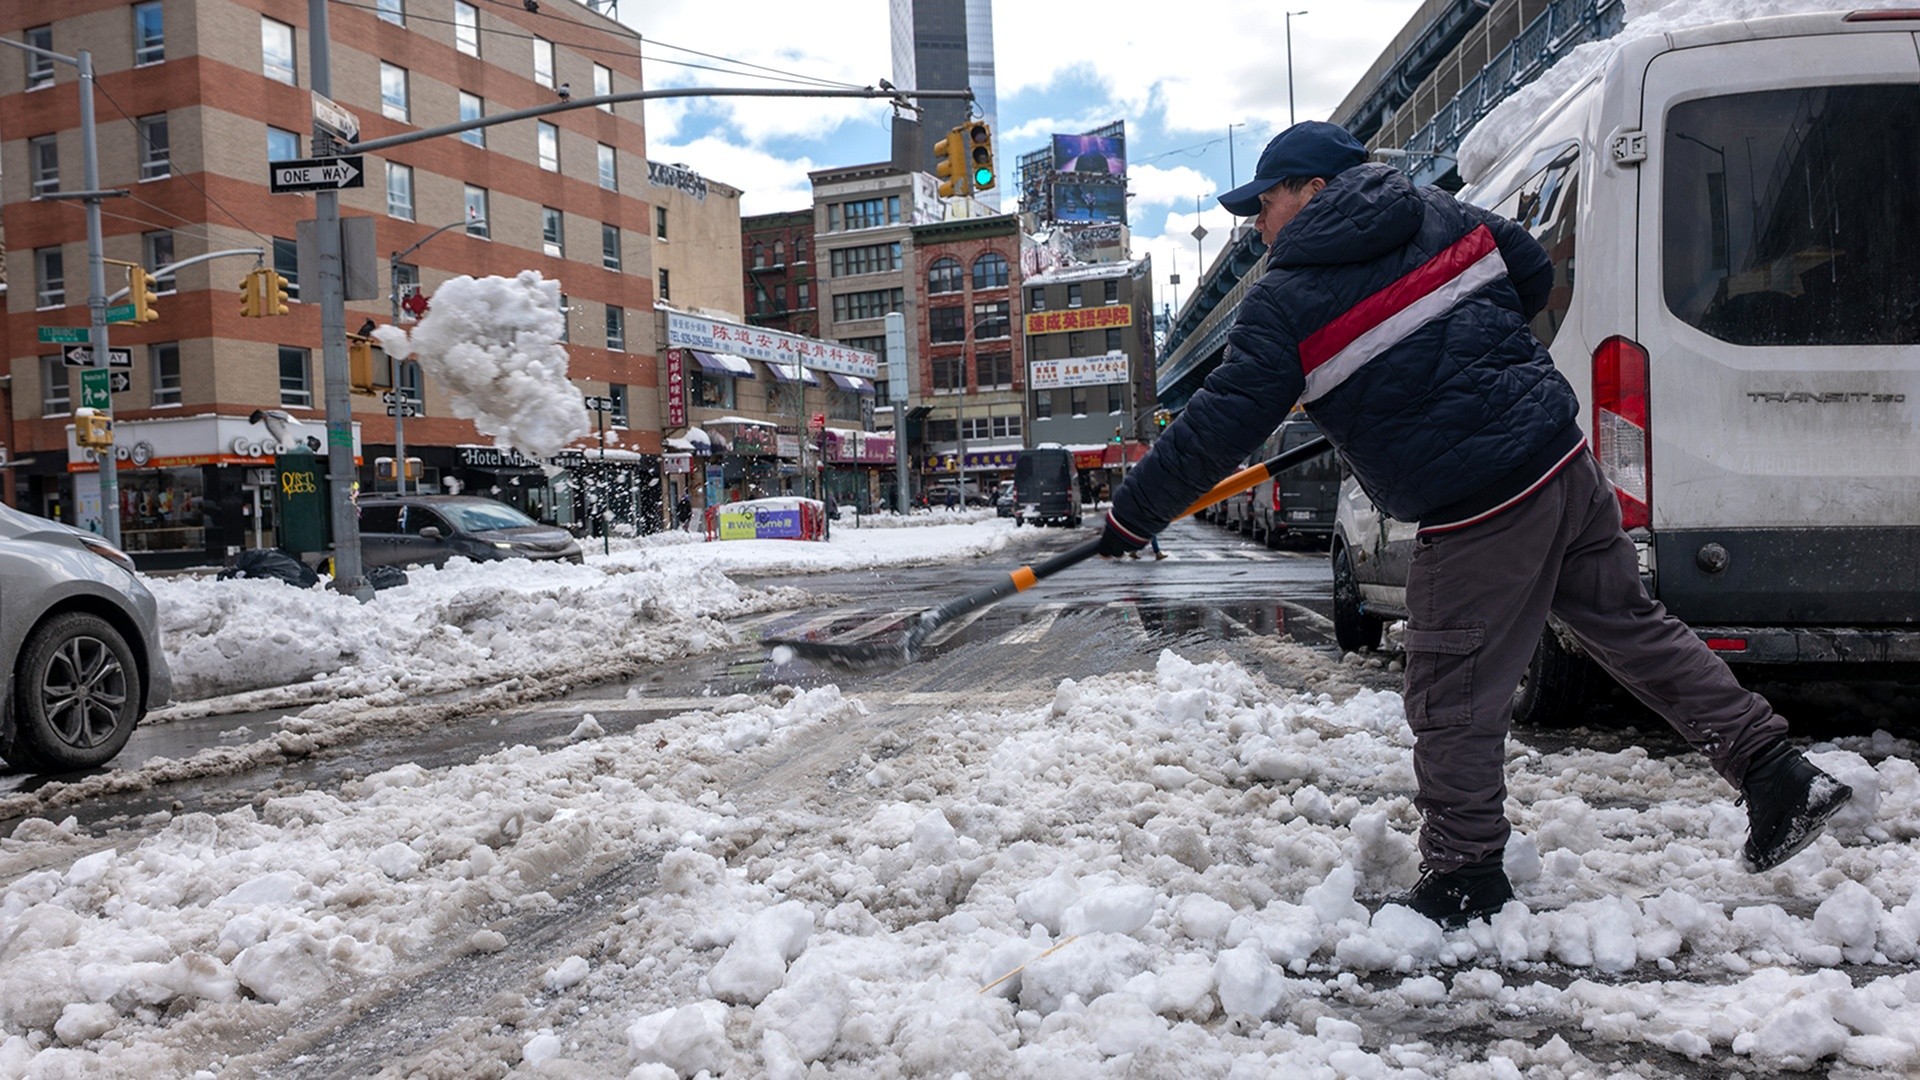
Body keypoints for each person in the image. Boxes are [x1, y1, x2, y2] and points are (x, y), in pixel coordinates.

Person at [1095, 121, 1852, 927]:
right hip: (1562, 462)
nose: (1256, 222)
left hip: (1481, 503)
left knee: (1450, 691)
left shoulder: (1283, 302)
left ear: (1313, 191)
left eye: (1265, 201)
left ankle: (1465, 875)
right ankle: (1776, 771)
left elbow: (1215, 424)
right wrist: (1457, 357)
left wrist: (1135, 512)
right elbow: (1527, 272)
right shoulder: (1441, 214)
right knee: (1631, 628)